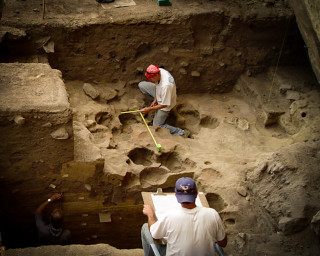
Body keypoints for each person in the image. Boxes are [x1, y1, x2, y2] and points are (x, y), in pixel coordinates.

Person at [141, 177, 227, 256]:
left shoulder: (171, 215)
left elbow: (155, 235)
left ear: (176, 195)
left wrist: (151, 215)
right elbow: (223, 243)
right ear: (196, 194)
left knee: (146, 227)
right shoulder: (213, 214)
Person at [138, 65, 189, 137]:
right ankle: (157, 103)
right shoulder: (159, 71)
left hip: (167, 103)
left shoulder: (166, 86)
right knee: (142, 85)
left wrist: (149, 109)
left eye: (151, 79)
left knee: (157, 125)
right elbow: (157, 86)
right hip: (162, 94)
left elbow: (164, 105)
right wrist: (155, 99)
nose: (150, 81)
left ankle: (181, 132)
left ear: (156, 75)